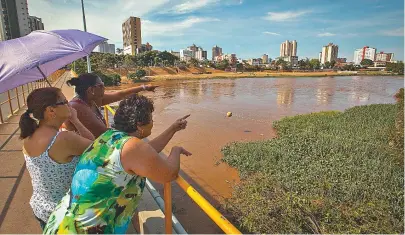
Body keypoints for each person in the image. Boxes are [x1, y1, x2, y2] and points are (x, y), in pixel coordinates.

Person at [44, 94, 191, 234]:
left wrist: (173, 128)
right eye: (151, 119)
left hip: (65, 223)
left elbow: (147, 154)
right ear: (140, 125)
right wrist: (175, 150)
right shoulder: (132, 146)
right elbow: (169, 173)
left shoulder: (110, 137)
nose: (153, 123)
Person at [19, 87, 95, 230]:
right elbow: (96, 148)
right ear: (51, 111)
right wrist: (76, 120)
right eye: (64, 101)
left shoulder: (29, 136)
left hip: (41, 209)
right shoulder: (64, 139)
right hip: (63, 214)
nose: (69, 105)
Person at [64, 73, 158, 137]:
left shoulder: (91, 100)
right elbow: (104, 133)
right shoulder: (77, 107)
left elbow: (120, 95)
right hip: (86, 155)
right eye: (101, 85)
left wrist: (144, 87)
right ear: (91, 90)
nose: (104, 88)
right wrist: (139, 132)